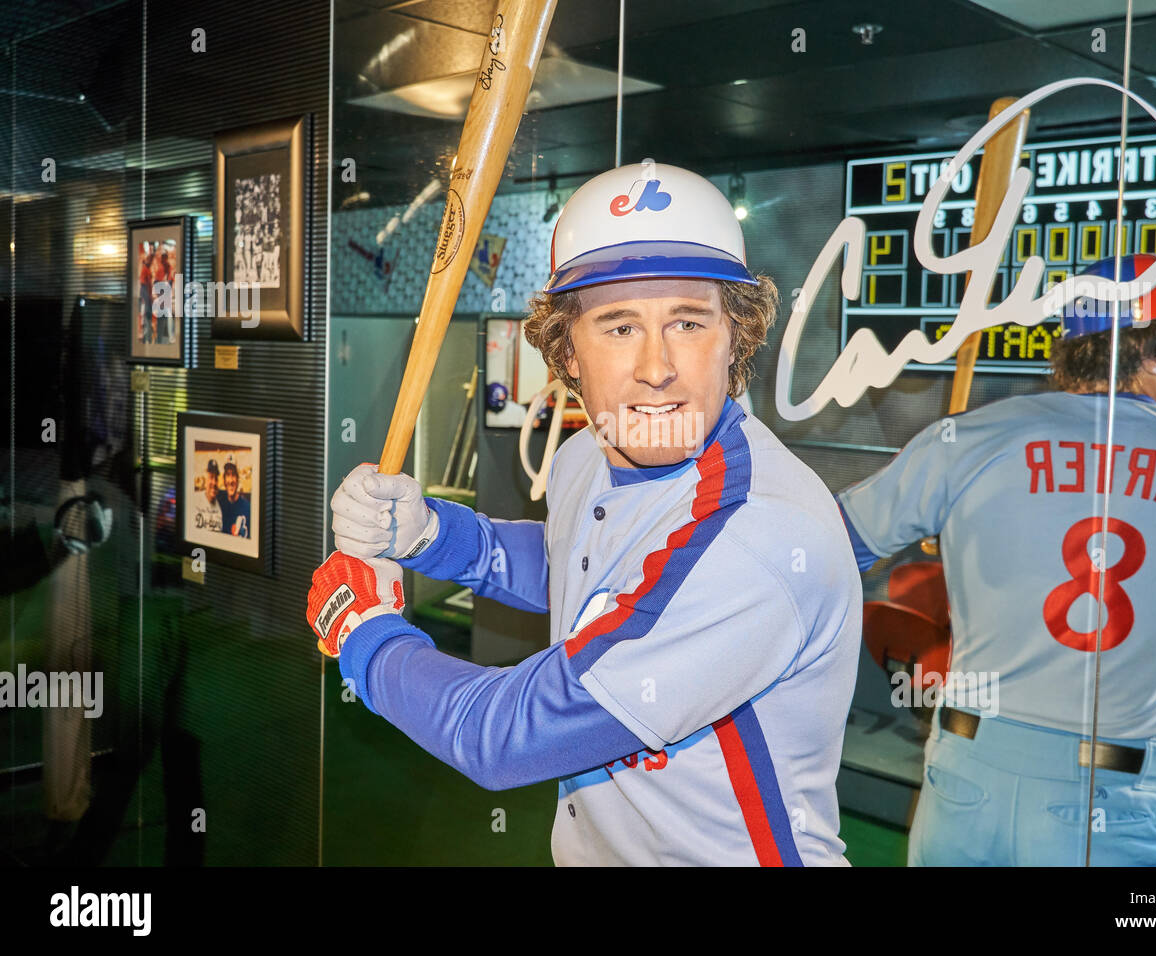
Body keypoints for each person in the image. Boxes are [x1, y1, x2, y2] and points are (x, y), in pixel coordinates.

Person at [308, 162, 862, 866]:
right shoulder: (587, 455)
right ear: (567, 348)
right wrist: (430, 535)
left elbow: (506, 737)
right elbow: (583, 567)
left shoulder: (758, 534)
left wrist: (366, 637)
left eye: (688, 322)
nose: (657, 366)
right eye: (619, 327)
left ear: (736, 337)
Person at [837, 254, 1156, 866]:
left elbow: (825, 549)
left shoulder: (967, 440)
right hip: (1116, 801)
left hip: (963, 784)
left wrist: (964, 519)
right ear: (1152, 352)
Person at [218, 457, 251, 538]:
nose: (231, 480)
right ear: (224, 480)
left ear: (238, 479)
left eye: (233, 475)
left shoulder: (247, 508)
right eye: (228, 475)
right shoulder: (219, 504)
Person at [195, 459, 223, 533]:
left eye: (216, 479)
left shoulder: (219, 507)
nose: (214, 483)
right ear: (205, 480)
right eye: (211, 477)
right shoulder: (195, 499)